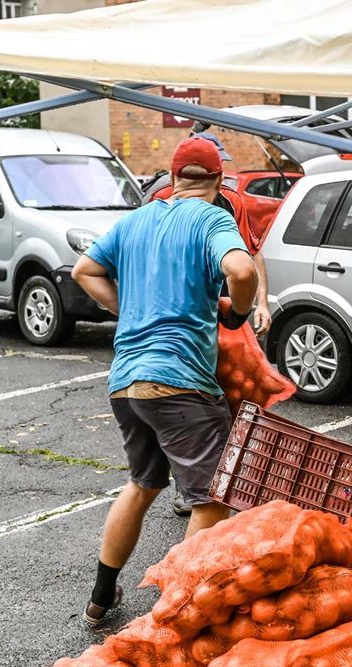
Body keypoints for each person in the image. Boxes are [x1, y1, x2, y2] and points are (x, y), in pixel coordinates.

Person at [72, 137, 258, 626]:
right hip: (179, 382)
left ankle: (101, 596)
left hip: (126, 381)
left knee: (141, 483)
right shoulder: (213, 218)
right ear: (218, 181)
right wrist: (239, 314)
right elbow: (240, 269)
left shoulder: (135, 219)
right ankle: (176, 608)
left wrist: (125, 308)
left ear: (172, 178)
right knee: (210, 498)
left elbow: (84, 270)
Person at [148, 130, 273, 518]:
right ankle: (192, 485)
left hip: (222, 312)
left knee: (234, 396)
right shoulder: (160, 204)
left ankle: (226, 477)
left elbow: (250, 258)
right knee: (182, 403)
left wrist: (259, 304)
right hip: (180, 318)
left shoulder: (232, 203)